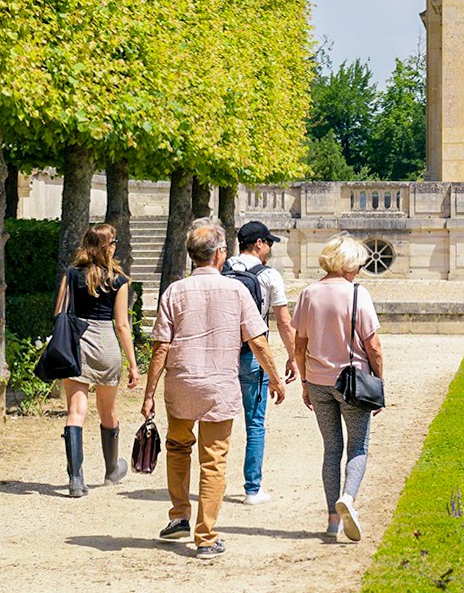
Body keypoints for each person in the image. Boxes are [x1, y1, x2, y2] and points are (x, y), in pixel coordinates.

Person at [142, 217, 286, 559]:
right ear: (220, 254)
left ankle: (179, 515)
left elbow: (160, 346)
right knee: (214, 460)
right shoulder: (236, 290)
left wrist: (148, 394)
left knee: (178, 448)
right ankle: (205, 536)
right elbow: (258, 341)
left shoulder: (174, 291)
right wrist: (276, 379)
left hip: (182, 383)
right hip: (219, 385)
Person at [292, 234, 385, 541]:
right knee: (357, 446)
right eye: (357, 263)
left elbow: (300, 343)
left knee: (331, 448)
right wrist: (379, 383)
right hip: (353, 383)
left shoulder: (309, 293)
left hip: (319, 381)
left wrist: (305, 381)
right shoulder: (358, 294)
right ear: (347, 264)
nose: (359, 269)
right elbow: (373, 346)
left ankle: (333, 520)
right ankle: (348, 498)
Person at [56, 223, 138, 498]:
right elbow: (122, 325)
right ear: (107, 246)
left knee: (75, 411)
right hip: (106, 345)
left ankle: (76, 479)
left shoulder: (71, 274)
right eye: (114, 242)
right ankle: (112, 468)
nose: (116, 246)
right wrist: (133, 364)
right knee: (108, 412)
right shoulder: (119, 279)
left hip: (77, 343)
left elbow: (59, 311)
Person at [224, 220, 298, 506]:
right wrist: (292, 357)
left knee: (217, 420)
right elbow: (283, 321)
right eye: (268, 242)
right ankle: (252, 489)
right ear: (258, 244)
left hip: (223, 354)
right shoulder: (269, 276)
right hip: (253, 354)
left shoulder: (224, 269)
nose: (269, 247)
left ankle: (212, 482)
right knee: (255, 423)